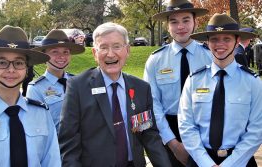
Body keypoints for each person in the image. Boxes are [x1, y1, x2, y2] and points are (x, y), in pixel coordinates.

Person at [59, 22, 171, 167]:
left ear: (127, 50)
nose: (110, 54)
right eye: (103, 47)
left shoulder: (141, 88)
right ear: (94, 53)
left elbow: (148, 135)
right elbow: (69, 143)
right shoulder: (77, 87)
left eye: (117, 46)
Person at [0, 25, 61, 166]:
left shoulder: (42, 113)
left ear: (26, 69)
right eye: (2, 62)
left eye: (19, 63)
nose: (11, 69)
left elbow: (52, 161)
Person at [178, 13, 262, 167]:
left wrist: (229, 164)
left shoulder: (253, 82)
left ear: (237, 42)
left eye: (227, 39)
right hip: (200, 161)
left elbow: (257, 130)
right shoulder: (194, 80)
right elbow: (186, 125)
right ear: (208, 42)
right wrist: (206, 163)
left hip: (240, 161)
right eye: (214, 39)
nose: (219, 44)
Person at [143, 0, 212, 166]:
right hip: (168, 131)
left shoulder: (210, 56)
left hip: (205, 131)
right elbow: (153, 103)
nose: (180, 26)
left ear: (195, 22)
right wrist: (172, 143)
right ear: (168, 26)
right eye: (174, 22)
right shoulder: (155, 60)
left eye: (186, 20)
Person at [26, 29, 85, 132]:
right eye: (55, 52)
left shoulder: (77, 82)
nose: (61, 56)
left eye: (65, 52)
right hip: (57, 145)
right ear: (45, 56)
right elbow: (37, 127)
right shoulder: (36, 89)